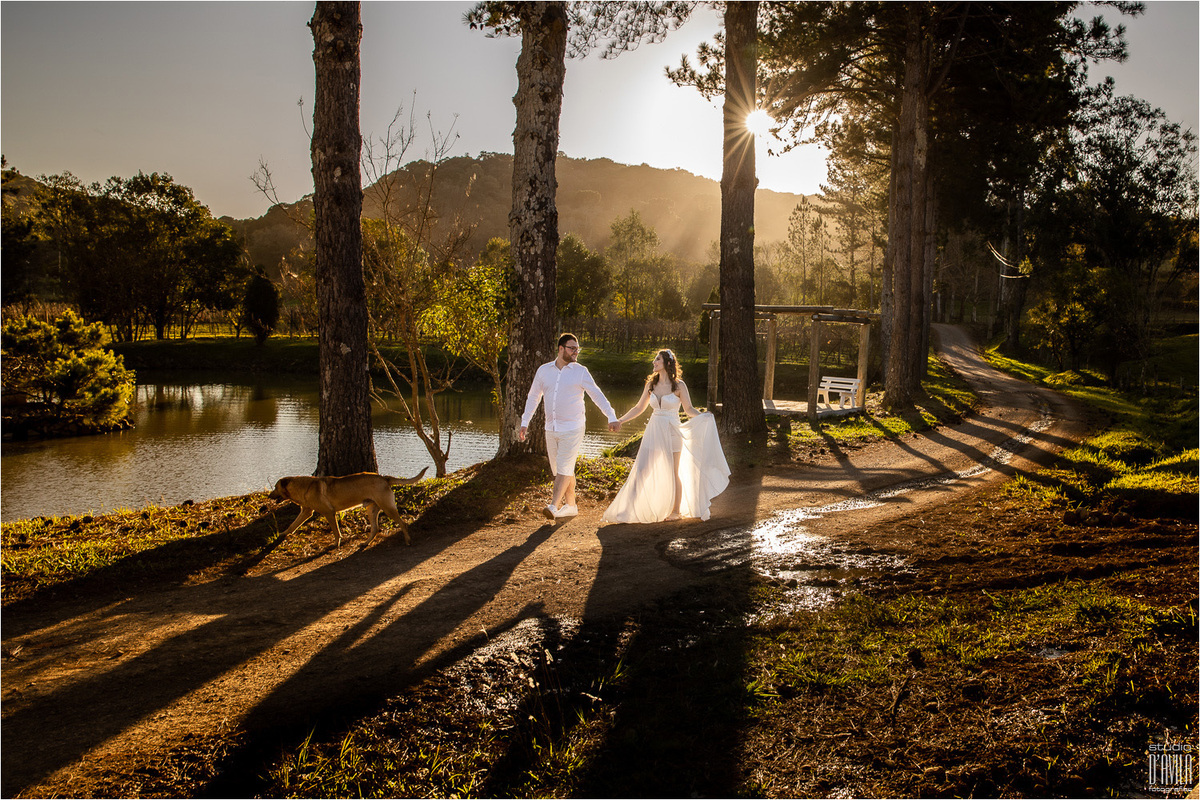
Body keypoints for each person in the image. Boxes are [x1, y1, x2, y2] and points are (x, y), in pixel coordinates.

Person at [602, 349, 729, 524]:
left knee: (673, 472)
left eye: (657, 359)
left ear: (667, 363)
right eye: (655, 359)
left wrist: (704, 416)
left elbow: (689, 410)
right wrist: (620, 420)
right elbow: (639, 408)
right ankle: (627, 509)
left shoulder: (679, 386)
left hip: (672, 431)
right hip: (654, 430)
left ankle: (676, 511)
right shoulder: (651, 385)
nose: (654, 362)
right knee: (641, 470)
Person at [520, 333, 621, 519]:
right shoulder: (544, 370)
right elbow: (533, 397)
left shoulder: (580, 371)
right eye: (572, 348)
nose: (576, 352)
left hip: (573, 427)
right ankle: (571, 505)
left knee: (564, 467)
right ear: (561, 349)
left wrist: (611, 416)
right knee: (559, 470)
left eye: (577, 349)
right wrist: (524, 422)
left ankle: (553, 506)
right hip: (551, 428)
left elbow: (596, 395)